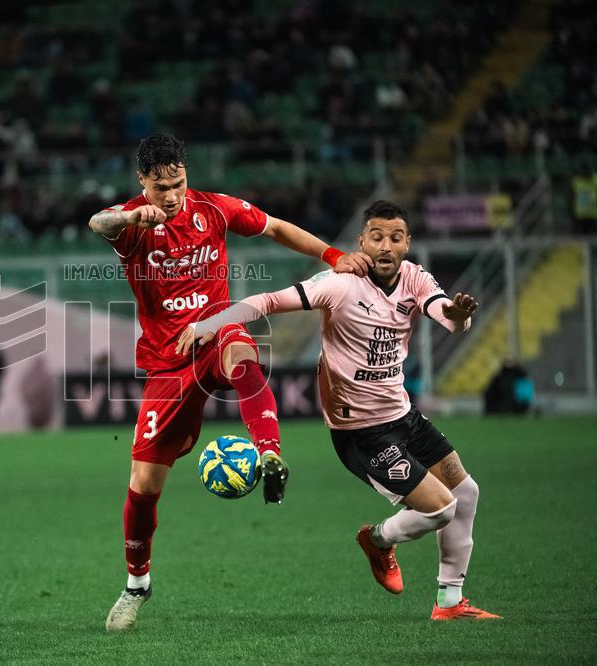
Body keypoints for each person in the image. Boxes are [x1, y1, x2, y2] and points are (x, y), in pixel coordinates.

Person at [91, 133, 372, 631]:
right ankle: (137, 585)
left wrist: (332, 257)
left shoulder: (214, 209)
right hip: (167, 361)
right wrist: (133, 216)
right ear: (142, 183)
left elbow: (277, 227)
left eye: (178, 183)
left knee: (242, 351)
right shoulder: (133, 223)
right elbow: (99, 222)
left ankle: (269, 451)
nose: (172, 196)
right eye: (161, 188)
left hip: (216, 329)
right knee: (142, 485)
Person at [178, 200, 501, 621]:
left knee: (466, 492)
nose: (386, 246)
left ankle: (450, 602)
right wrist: (208, 324)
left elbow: (446, 314)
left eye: (396, 237)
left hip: (403, 416)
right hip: (361, 433)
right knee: (441, 508)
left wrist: (458, 314)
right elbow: (267, 302)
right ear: (362, 241)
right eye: (378, 236)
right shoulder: (339, 284)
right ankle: (378, 540)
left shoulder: (416, 279)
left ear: (407, 244)